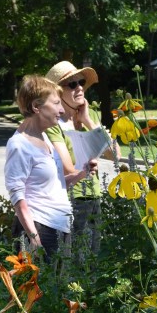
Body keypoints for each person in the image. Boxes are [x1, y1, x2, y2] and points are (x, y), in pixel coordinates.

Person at [5, 75, 92, 258]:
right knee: (39, 286)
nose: (61, 110)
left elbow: (55, 184)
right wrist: (34, 238)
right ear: (36, 107)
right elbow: (17, 197)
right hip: (39, 228)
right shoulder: (19, 145)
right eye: (56, 103)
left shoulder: (44, 138)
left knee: (60, 286)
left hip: (60, 226)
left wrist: (83, 173)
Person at [43, 61, 104, 257]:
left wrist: (87, 120)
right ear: (58, 92)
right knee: (73, 260)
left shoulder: (90, 114)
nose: (79, 88)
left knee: (93, 258)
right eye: (72, 84)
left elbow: (115, 153)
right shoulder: (53, 122)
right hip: (71, 197)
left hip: (94, 194)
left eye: (81, 82)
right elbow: (67, 168)